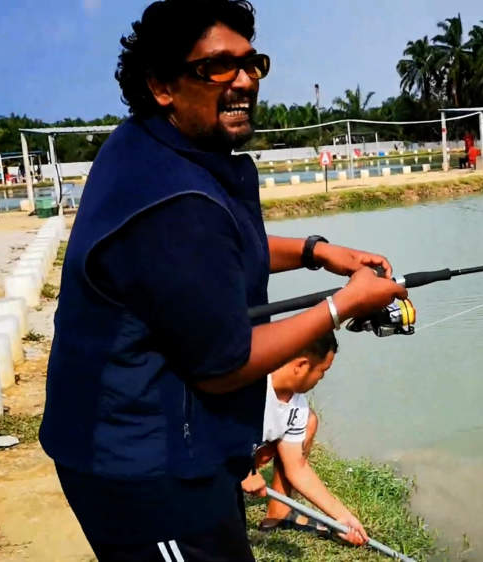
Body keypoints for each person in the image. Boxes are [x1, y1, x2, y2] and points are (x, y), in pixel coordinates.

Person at [38, 1, 408, 561]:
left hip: (170, 450)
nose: (242, 81)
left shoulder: (151, 143)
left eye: (251, 63)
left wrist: (317, 253)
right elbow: (222, 365)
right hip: (144, 466)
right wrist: (343, 305)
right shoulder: (173, 195)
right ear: (162, 84)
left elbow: (210, 254)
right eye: (216, 67)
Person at [240, 331, 368, 546]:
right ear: (300, 365)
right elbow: (203, 433)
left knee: (310, 421)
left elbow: (297, 467)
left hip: (240, 453)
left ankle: (278, 515)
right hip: (200, 461)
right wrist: (241, 471)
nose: (322, 378)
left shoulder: (296, 403)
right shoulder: (249, 384)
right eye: (322, 371)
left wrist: (341, 516)